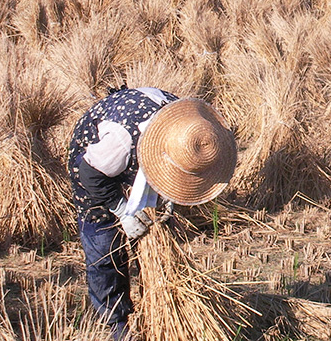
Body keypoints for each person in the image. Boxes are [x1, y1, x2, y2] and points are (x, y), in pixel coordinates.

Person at [66, 87, 237, 341]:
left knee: (149, 233)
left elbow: (177, 169)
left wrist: (168, 198)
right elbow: (90, 174)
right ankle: (117, 324)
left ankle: (151, 305)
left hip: (140, 152)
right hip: (92, 166)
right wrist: (122, 211)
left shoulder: (189, 127)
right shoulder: (121, 141)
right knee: (103, 246)